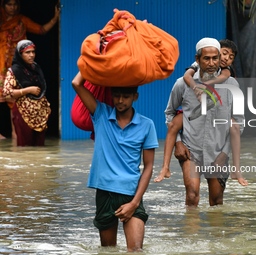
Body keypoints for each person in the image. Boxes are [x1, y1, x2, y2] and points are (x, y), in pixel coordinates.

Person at [72, 72, 159, 251]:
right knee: (108, 250)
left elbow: (149, 166)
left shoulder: (147, 125)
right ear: (111, 95)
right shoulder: (100, 114)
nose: (120, 101)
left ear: (135, 97)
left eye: (126, 96)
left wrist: (134, 203)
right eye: (117, 96)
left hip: (131, 194)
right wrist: (95, 53)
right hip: (104, 192)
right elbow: (76, 83)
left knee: (136, 251)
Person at [163, 37, 245, 207]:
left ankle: (214, 234)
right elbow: (170, 113)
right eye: (206, 59)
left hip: (218, 150)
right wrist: (178, 142)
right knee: (192, 195)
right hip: (191, 149)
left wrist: (225, 152)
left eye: (215, 58)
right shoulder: (182, 84)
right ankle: (191, 234)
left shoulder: (232, 85)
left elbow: (239, 122)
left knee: (216, 201)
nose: (211, 63)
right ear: (197, 59)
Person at [0, 0, 60, 139]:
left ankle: (16, 133)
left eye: (15, 4)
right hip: (1, 65)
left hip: (16, 65)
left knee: (15, 99)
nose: (13, 7)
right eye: (9, 4)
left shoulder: (21, 21)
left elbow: (41, 30)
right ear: (3, 6)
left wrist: (55, 18)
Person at [2, 39, 51, 146]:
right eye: (27, 52)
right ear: (20, 54)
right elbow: (6, 93)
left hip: (40, 115)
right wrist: (28, 90)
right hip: (23, 113)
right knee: (25, 148)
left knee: (40, 150)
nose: (31, 55)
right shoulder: (14, 71)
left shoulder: (35, 68)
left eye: (33, 52)